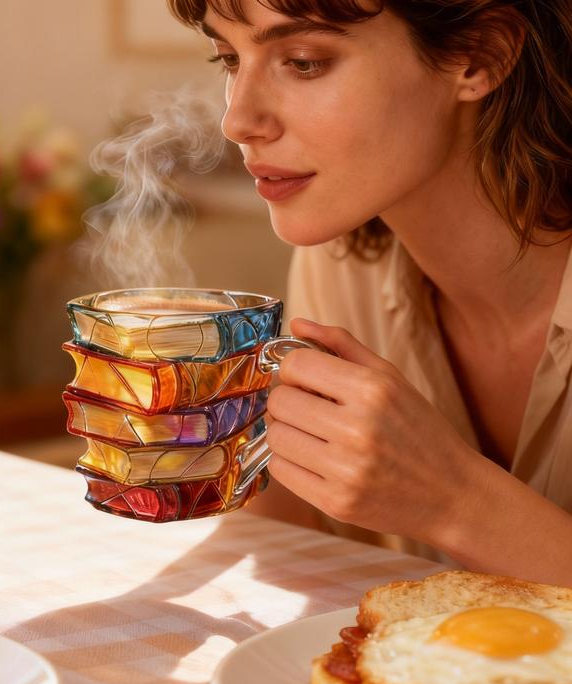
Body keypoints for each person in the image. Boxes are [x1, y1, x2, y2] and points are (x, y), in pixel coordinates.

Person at [168, 0, 572, 583]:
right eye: (229, 57)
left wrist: (457, 500)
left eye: (304, 62)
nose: (238, 120)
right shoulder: (339, 265)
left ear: (480, 55)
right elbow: (297, 542)